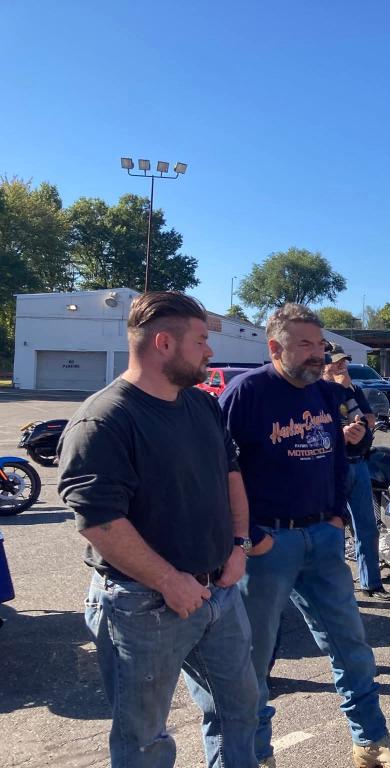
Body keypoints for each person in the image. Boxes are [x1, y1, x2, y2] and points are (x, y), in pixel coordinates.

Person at [57, 291, 259, 767]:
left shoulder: (202, 405)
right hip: (142, 605)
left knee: (239, 710)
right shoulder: (104, 420)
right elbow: (100, 521)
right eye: (201, 340)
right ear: (164, 343)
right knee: (144, 739)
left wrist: (239, 545)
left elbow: (230, 474)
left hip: (219, 590)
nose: (210, 351)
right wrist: (169, 580)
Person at [220, 303, 390, 768]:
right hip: (267, 544)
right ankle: (256, 754)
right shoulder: (245, 393)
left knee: (351, 645)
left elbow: (339, 458)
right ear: (275, 347)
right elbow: (216, 470)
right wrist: (248, 536)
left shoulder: (326, 394)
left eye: (319, 344)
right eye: (305, 344)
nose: (317, 353)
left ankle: (371, 741)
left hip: (323, 538)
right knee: (253, 659)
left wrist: (335, 516)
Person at [322, 345, 390, 602]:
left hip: (359, 463)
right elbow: (316, 426)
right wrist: (339, 433)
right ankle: (338, 590)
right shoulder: (319, 392)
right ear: (325, 365)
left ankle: (371, 584)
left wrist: (359, 425)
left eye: (344, 362)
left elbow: (370, 418)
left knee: (367, 526)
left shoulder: (354, 389)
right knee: (334, 531)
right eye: (336, 362)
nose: (342, 366)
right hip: (333, 468)